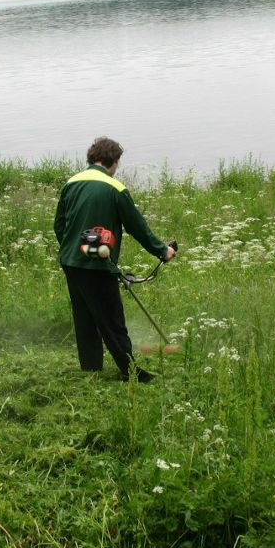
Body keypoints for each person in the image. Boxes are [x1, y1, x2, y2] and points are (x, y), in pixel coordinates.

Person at [54, 137, 176, 382]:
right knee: (112, 320)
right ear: (113, 160)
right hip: (97, 265)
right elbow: (137, 227)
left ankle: (91, 367)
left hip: (70, 262)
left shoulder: (71, 183)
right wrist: (162, 251)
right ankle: (131, 372)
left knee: (85, 316)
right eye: (118, 163)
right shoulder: (115, 188)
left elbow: (59, 225)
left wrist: (72, 250)